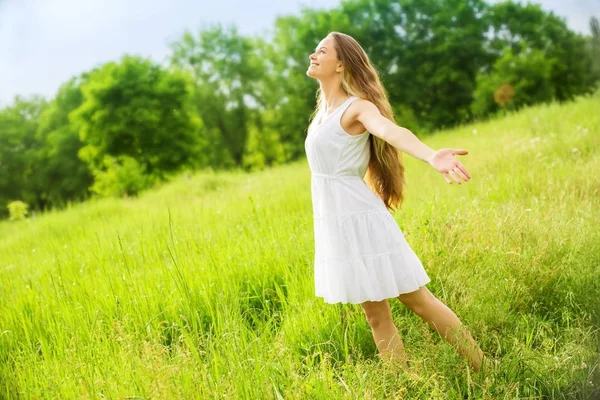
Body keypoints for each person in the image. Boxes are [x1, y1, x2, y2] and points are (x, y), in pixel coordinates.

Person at [304, 31, 484, 372]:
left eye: (321, 51)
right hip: (337, 224)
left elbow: (390, 132)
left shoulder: (356, 107)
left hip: (361, 220)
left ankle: (484, 368)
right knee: (374, 315)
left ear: (340, 64)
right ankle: (401, 386)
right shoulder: (321, 114)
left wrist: (432, 156)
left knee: (418, 301)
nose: (313, 55)